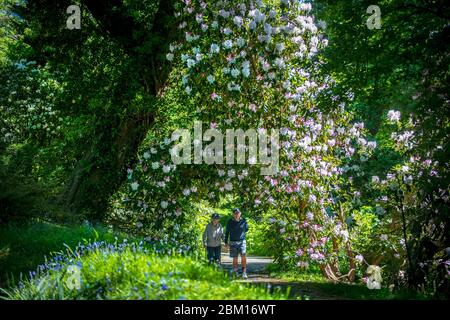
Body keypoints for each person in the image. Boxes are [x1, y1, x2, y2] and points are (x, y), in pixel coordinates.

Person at [224, 208, 249, 279]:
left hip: (242, 241)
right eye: (235, 213)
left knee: (243, 255)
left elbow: (246, 229)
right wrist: (226, 242)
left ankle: (244, 272)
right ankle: (236, 272)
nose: (236, 214)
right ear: (232, 214)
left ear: (240, 213)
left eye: (237, 213)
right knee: (235, 258)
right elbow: (227, 232)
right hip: (233, 241)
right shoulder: (229, 222)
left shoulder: (244, 221)